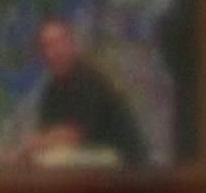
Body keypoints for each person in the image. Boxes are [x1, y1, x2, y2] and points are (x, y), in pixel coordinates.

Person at [18, 17, 149, 168]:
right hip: (90, 160)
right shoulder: (51, 91)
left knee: (49, 162)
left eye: (60, 41)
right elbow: (48, 136)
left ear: (71, 43)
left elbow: (72, 136)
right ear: (41, 54)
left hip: (124, 163)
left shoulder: (88, 80)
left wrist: (29, 147)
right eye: (48, 45)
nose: (56, 50)